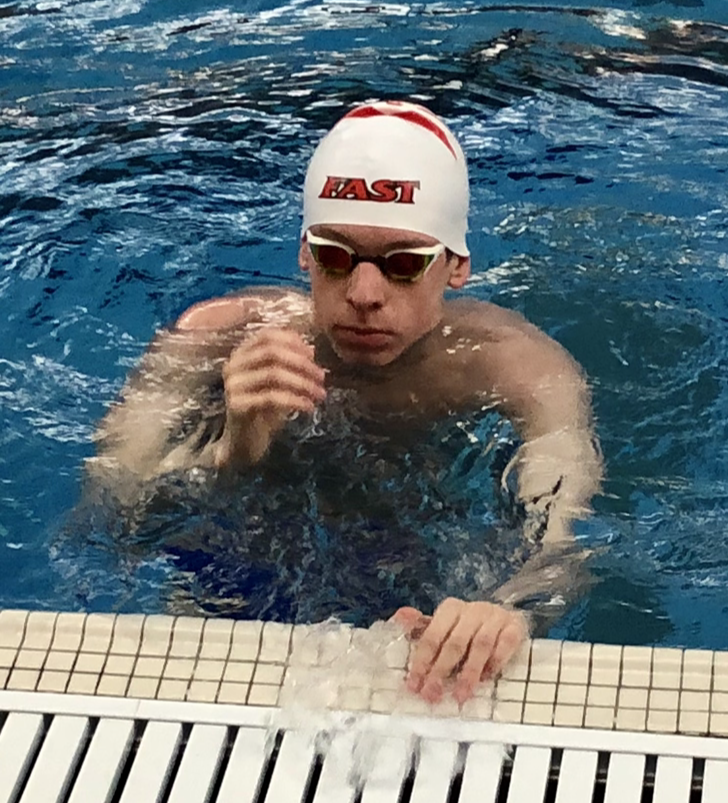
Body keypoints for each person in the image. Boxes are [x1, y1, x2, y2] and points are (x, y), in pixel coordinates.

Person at [87, 100, 602, 705]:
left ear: (457, 266)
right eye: (335, 255)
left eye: (404, 264)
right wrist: (232, 449)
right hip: (237, 563)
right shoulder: (213, 338)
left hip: (423, 573)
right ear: (304, 252)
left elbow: (563, 533)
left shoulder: (520, 366)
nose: (363, 294)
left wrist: (509, 611)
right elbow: (108, 510)